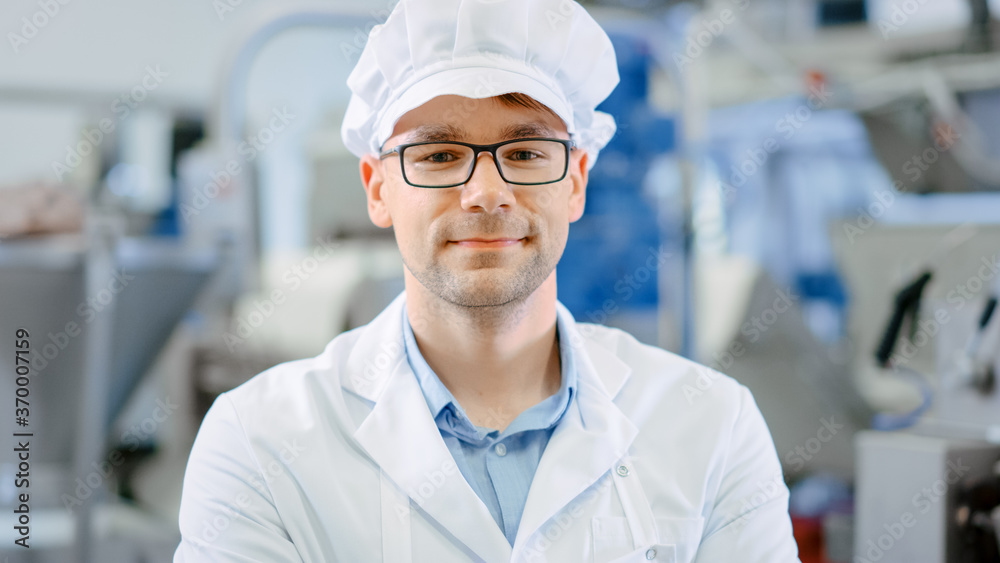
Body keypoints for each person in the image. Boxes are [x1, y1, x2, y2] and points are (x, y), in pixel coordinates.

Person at [174, 0, 800, 561]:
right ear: (377, 188)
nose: (485, 193)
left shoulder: (712, 426)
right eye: (439, 155)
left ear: (576, 180)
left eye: (525, 153)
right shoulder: (260, 444)